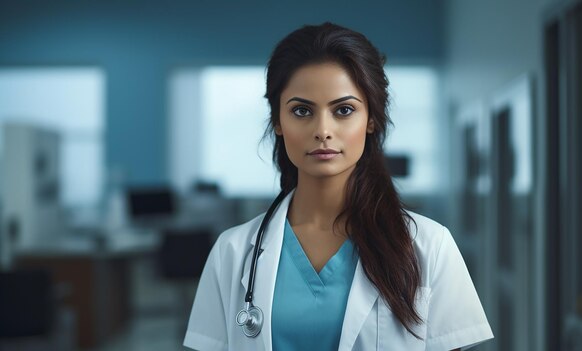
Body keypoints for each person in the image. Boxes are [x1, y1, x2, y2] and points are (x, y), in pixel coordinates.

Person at [183, 22, 493, 351]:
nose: (323, 130)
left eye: (343, 110)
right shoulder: (232, 252)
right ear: (277, 121)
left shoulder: (430, 246)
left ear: (371, 119)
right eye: (301, 111)